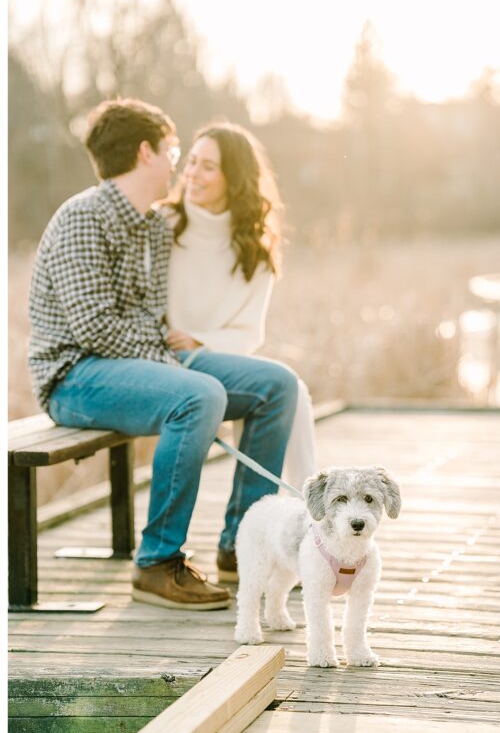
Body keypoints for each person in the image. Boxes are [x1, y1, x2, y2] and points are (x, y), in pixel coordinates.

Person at [28, 98, 298, 611]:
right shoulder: (82, 216)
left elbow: (154, 312)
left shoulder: (153, 226)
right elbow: (94, 327)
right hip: (74, 376)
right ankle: (157, 561)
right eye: (173, 151)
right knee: (198, 396)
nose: (179, 163)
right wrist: (170, 360)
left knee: (275, 386)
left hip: (144, 363)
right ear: (146, 152)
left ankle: (242, 545)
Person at [161, 122, 318, 581]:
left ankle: (239, 544)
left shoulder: (253, 246)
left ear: (234, 177)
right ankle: (251, 539)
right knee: (282, 386)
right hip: (161, 361)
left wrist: (202, 341)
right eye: (191, 161)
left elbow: (248, 332)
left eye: (208, 166)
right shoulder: (162, 225)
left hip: (212, 356)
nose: (193, 173)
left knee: (288, 392)